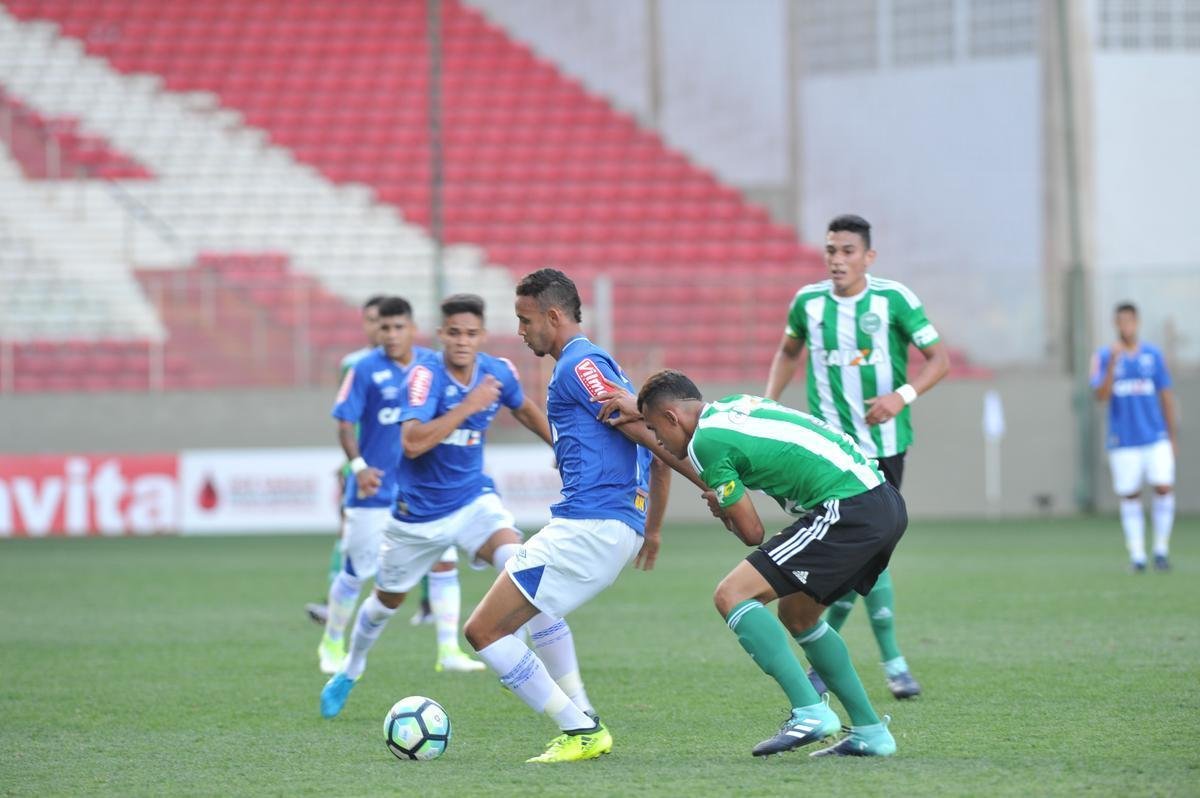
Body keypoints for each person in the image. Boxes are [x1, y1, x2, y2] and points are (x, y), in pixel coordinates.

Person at [460, 268, 692, 763]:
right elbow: (645, 442)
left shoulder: (580, 364)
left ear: (553, 315)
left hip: (589, 525)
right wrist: (650, 530)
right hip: (611, 526)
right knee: (538, 612)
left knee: (483, 632)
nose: (521, 331)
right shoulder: (593, 367)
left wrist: (709, 487)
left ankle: (580, 729)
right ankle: (581, 714)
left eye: (525, 320)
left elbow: (645, 432)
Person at [320, 293, 572, 718]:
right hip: (419, 515)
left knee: (519, 560)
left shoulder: (497, 371)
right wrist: (469, 406)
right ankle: (351, 666)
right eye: (454, 333)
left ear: (482, 336)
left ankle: (523, 661)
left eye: (471, 333)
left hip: (474, 500)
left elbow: (526, 410)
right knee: (386, 602)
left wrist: (562, 446)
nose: (462, 341)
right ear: (441, 335)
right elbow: (413, 443)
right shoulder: (423, 376)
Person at [633, 371, 903, 757]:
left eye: (655, 429)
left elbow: (751, 531)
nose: (657, 440)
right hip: (882, 500)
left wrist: (723, 507)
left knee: (732, 594)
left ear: (673, 418)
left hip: (849, 507)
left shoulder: (705, 444)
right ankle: (871, 733)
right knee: (799, 616)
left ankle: (810, 711)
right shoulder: (734, 404)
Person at [764, 213, 948, 700]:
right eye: (831, 251)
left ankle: (864, 662)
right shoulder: (808, 303)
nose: (837, 260)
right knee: (848, 556)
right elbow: (788, 351)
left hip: (883, 448)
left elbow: (940, 360)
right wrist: (769, 399)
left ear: (869, 257)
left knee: (866, 556)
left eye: (847, 251)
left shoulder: (894, 300)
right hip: (826, 454)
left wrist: (900, 397)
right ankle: (892, 665)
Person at [317, 296, 478, 676]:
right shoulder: (363, 369)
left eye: (398, 327)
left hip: (422, 492)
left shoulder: (433, 366)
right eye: (384, 328)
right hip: (372, 492)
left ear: (412, 328)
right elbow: (344, 423)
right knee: (357, 571)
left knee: (444, 565)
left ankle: (448, 650)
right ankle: (332, 641)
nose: (391, 335)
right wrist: (357, 467)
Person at [306, 295, 388, 627]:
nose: (377, 327)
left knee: (425, 533)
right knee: (348, 532)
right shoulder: (353, 364)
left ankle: (428, 603)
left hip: (403, 465)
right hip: (362, 466)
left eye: (383, 321)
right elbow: (349, 419)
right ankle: (333, 602)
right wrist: (350, 462)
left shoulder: (416, 366)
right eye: (370, 319)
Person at [1090, 302, 1177, 572]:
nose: (1125, 326)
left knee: (1163, 487)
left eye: (1129, 321)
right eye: (1120, 322)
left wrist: (1172, 435)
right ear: (1115, 325)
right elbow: (1100, 396)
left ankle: (1161, 550)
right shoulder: (1104, 356)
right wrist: (1113, 364)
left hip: (1155, 435)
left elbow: (1165, 395)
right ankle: (1138, 555)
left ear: (1137, 323)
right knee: (1130, 495)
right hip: (1123, 439)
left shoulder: (1153, 355)